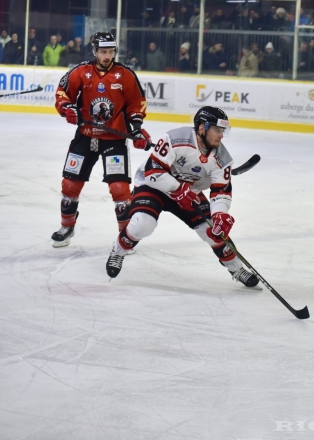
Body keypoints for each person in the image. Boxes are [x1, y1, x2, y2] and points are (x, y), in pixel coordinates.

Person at [104, 107, 259, 288]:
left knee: (214, 231)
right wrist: (177, 188)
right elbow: (153, 172)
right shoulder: (174, 139)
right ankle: (119, 250)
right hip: (153, 186)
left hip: (189, 192)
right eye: (217, 130)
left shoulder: (222, 159)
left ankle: (236, 269)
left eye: (223, 131)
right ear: (202, 128)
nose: (221, 136)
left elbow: (221, 191)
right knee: (143, 224)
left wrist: (219, 214)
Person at [51, 32, 150, 247]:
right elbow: (62, 93)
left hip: (114, 138)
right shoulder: (81, 72)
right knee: (69, 185)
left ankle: (126, 236)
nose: (107, 56)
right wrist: (67, 108)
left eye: (111, 51)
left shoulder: (125, 75)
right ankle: (67, 226)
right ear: (95, 51)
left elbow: (137, 104)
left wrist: (136, 128)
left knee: (119, 190)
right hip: (85, 136)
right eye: (103, 52)